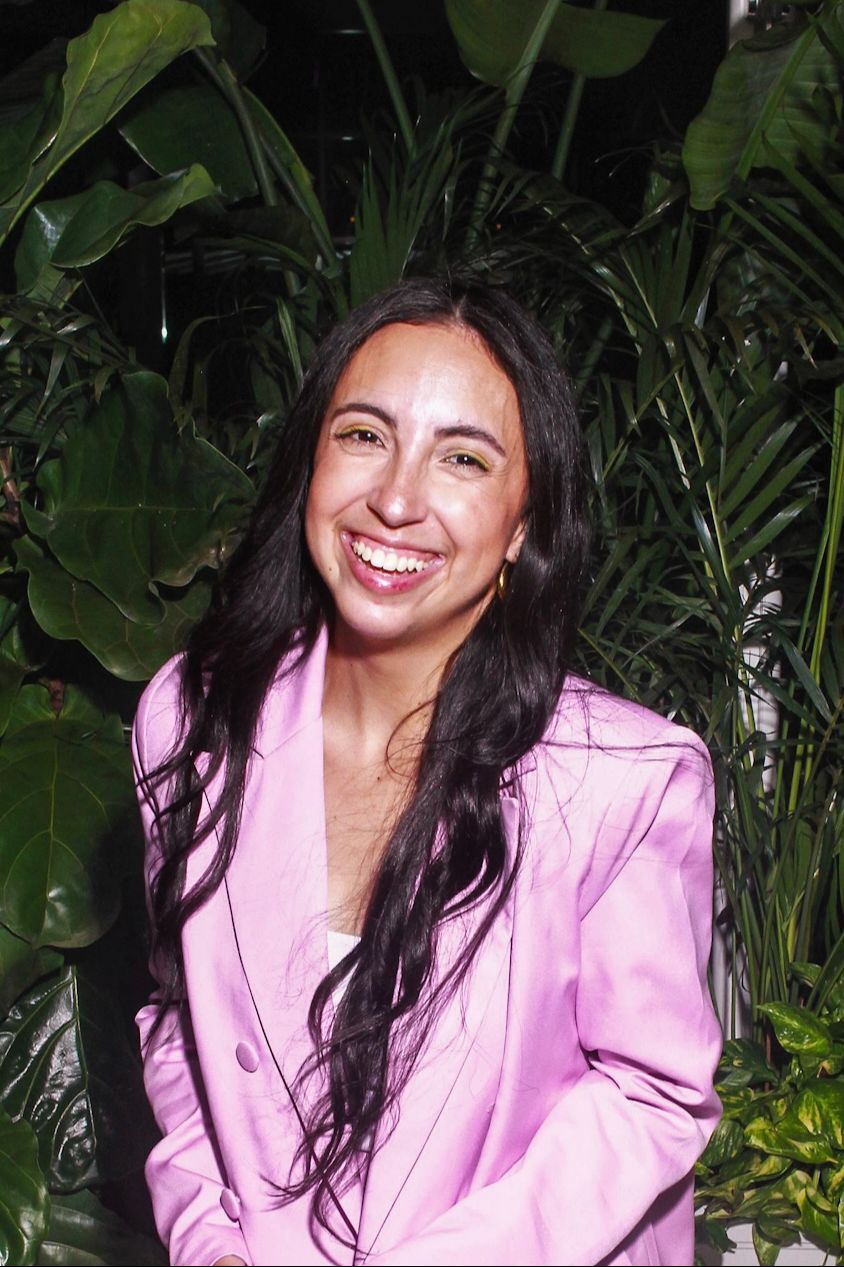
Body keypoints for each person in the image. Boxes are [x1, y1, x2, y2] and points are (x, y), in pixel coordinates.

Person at [133, 276, 722, 1267]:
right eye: (364, 435)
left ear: (524, 523)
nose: (396, 500)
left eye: (462, 458)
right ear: (311, 460)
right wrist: (211, 1240)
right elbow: (179, 1023)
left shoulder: (620, 784)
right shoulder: (196, 718)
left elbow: (651, 1092)